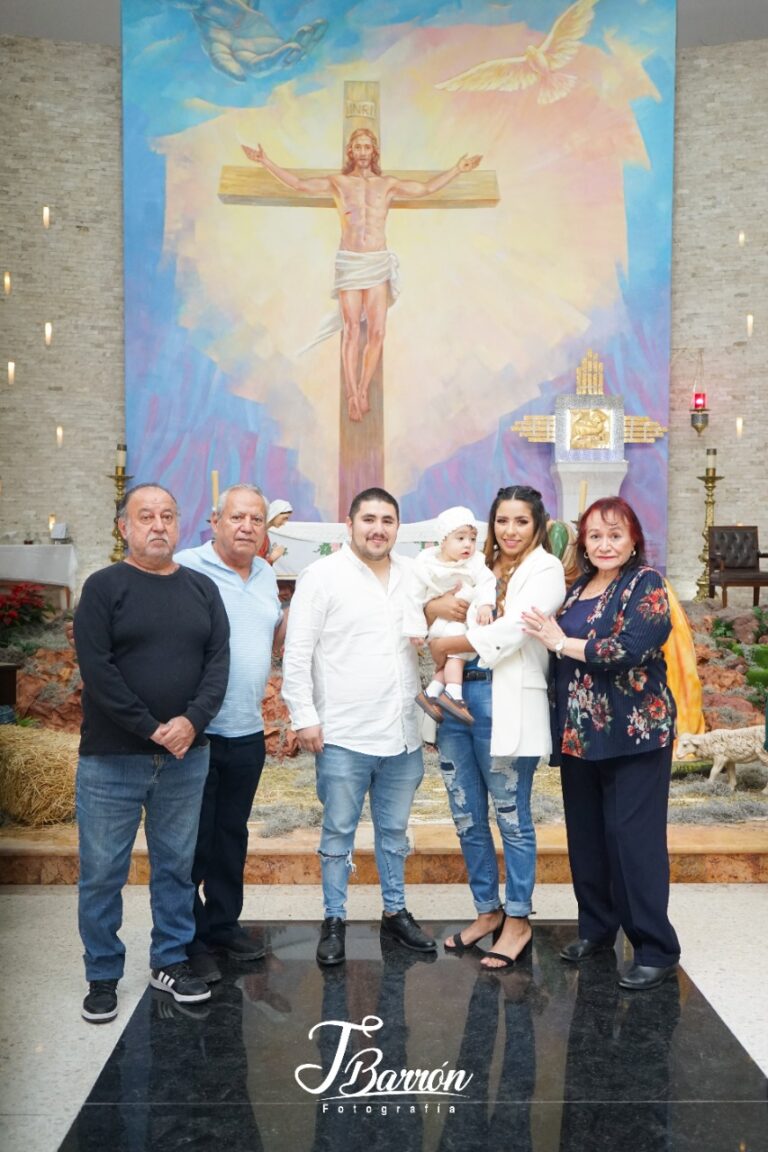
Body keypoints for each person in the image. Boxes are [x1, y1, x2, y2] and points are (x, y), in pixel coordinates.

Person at [73, 484, 230, 1022]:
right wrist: (152, 728)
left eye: (167, 515)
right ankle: (102, 972)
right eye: (146, 516)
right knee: (102, 871)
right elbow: (98, 671)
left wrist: (191, 722)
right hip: (111, 759)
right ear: (125, 528)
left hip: (188, 758)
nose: (158, 525)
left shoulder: (202, 589)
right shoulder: (103, 587)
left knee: (176, 869)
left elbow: (218, 664)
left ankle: (169, 959)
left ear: (179, 523)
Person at [521, 496, 680, 991]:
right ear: (583, 543)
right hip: (580, 736)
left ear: (633, 538)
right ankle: (596, 928)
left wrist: (559, 643)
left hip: (635, 734)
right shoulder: (576, 590)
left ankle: (655, 947)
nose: (605, 544)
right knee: (587, 840)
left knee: (633, 843)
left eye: (615, 534)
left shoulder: (647, 584)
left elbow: (629, 649)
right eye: (595, 535)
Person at [281, 486, 436, 965]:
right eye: (368, 519)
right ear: (349, 524)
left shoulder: (413, 575)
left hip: (402, 733)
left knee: (394, 830)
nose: (378, 528)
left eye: (387, 520)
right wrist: (304, 717)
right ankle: (334, 918)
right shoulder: (322, 575)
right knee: (338, 831)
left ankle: (395, 911)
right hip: (344, 732)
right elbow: (298, 652)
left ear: (397, 528)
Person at [242, 132, 481, 421]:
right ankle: (351, 393)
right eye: (358, 147)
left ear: (374, 151)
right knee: (352, 330)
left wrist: (458, 169)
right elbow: (300, 185)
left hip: (377, 262)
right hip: (351, 261)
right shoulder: (338, 183)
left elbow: (426, 189)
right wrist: (265, 161)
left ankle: (364, 388)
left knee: (378, 332)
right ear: (351, 151)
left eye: (368, 146)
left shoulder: (388, 184)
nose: (363, 151)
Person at [428, 486, 565, 969]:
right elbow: (436, 604)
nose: (510, 530)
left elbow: (518, 628)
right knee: (466, 813)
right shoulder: (483, 571)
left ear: (538, 525)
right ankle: (487, 911)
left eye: (520, 522)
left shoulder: (544, 569)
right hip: (458, 698)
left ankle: (520, 919)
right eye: (502, 521)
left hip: (503, 700)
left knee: (511, 816)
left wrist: (452, 643)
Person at [175, 484, 285, 983]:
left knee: (229, 835)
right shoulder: (185, 567)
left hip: (246, 728)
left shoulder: (264, 573)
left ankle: (223, 923)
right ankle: (187, 935)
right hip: (197, 731)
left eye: (256, 520)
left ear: (265, 529)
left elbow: (272, 635)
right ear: (214, 521)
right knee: (191, 840)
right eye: (237, 517)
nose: (246, 527)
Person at [403, 505, 496, 725]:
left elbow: (487, 582)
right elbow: (413, 597)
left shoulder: (475, 562)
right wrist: (415, 629)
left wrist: (485, 604)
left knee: (455, 653)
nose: (468, 544)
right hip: (441, 623)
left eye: (472, 539)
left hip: (461, 620)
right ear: (443, 540)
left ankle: (432, 692)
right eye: (460, 538)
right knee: (457, 651)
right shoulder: (426, 564)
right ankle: (454, 694)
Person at [257, 497, 293, 566]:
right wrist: (272, 558)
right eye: (284, 518)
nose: (284, 523)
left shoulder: (264, 534)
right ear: (276, 513)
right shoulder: (258, 533)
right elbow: (254, 566)